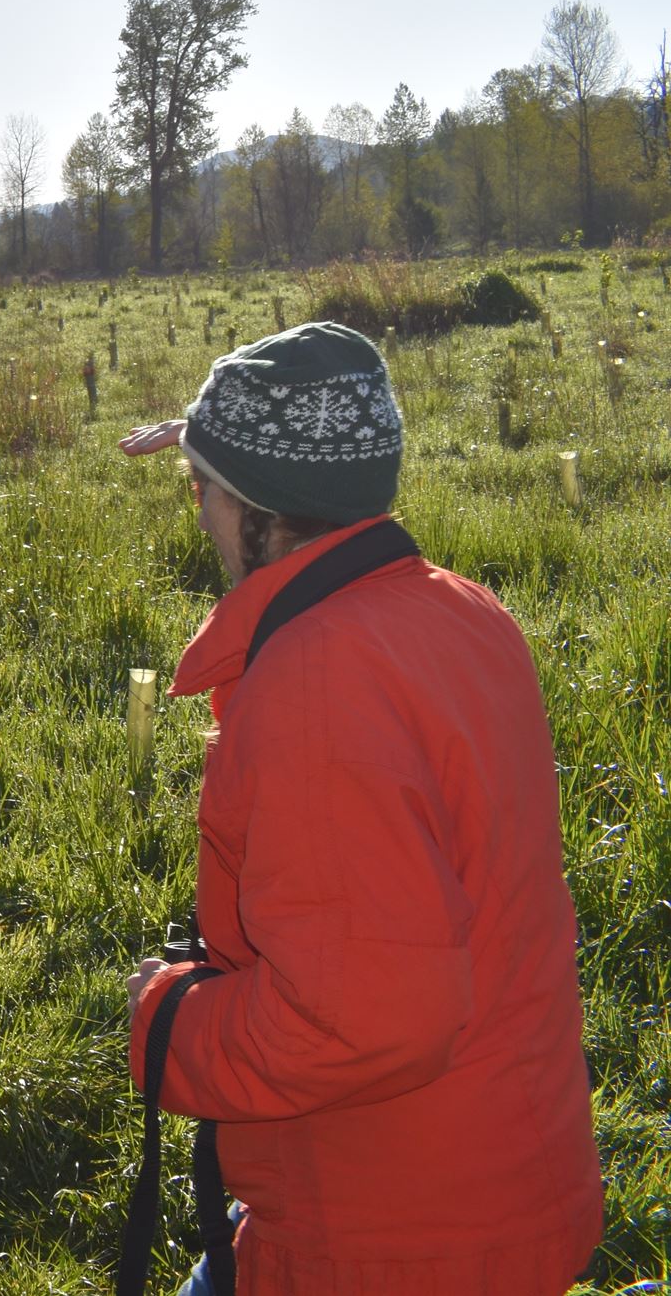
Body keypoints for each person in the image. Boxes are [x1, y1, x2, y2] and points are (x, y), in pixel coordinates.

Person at [118, 323, 602, 1296]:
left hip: (386, 1245)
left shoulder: (313, 685)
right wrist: (216, 440)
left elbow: (356, 1018)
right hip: (507, 1181)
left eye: (199, 488)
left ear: (255, 510)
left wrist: (167, 1020)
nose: (195, 512)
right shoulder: (464, 612)